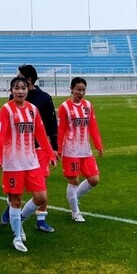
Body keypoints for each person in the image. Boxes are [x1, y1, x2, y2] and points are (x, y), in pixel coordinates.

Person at [0, 75, 56, 252]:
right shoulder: (6, 109)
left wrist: (50, 154)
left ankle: (19, 219)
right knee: (16, 199)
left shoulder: (32, 109)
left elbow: (40, 134)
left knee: (41, 197)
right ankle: (17, 236)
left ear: (28, 90)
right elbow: (0, 136)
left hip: (32, 161)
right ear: (11, 90)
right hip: (13, 163)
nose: (20, 91)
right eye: (16, 88)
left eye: (23, 88)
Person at [57, 76, 104, 222]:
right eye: (78, 90)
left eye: (83, 90)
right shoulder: (65, 107)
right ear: (71, 89)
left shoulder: (88, 106)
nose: (81, 93)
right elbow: (61, 129)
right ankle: (75, 212)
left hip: (85, 150)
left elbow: (93, 127)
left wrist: (98, 145)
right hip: (71, 150)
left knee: (94, 179)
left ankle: (73, 198)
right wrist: (58, 149)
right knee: (74, 180)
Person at [18, 64, 58, 233]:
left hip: (39, 149)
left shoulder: (44, 98)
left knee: (42, 186)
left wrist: (54, 148)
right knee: (18, 184)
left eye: (20, 77)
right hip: (19, 149)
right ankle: (13, 210)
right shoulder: (15, 97)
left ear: (28, 80)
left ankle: (41, 219)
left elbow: (51, 124)